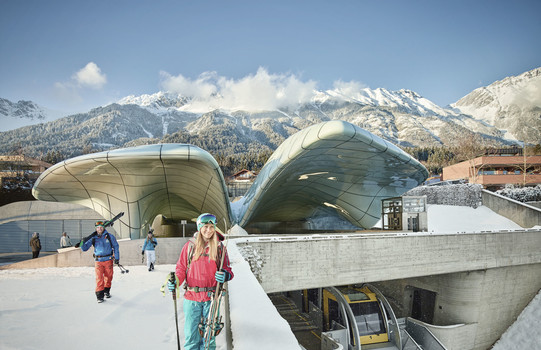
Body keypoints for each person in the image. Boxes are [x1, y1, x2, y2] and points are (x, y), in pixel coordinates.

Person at [168, 213, 233, 350]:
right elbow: (181, 268)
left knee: (209, 339)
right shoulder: (189, 247)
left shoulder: (220, 248)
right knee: (192, 338)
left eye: (211, 227)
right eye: (205, 227)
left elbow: (228, 269)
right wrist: (176, 282)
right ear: (199, 227)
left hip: (212, 299)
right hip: (192, 299)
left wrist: (226, 275)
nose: (208, 230)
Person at [78, 221, 120, 303]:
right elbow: (85, 248)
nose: (99, 229)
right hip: (98, 261)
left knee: (108, 277)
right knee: (99, 278)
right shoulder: (93, 238)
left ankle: (106, 291)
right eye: (97, 228)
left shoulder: (109, 236)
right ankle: (99, 296)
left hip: (108, 260)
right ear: (96, 229)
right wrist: (82, 243)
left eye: (101, 227)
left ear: (103, 228)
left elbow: (116, 246)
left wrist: (117, 257)